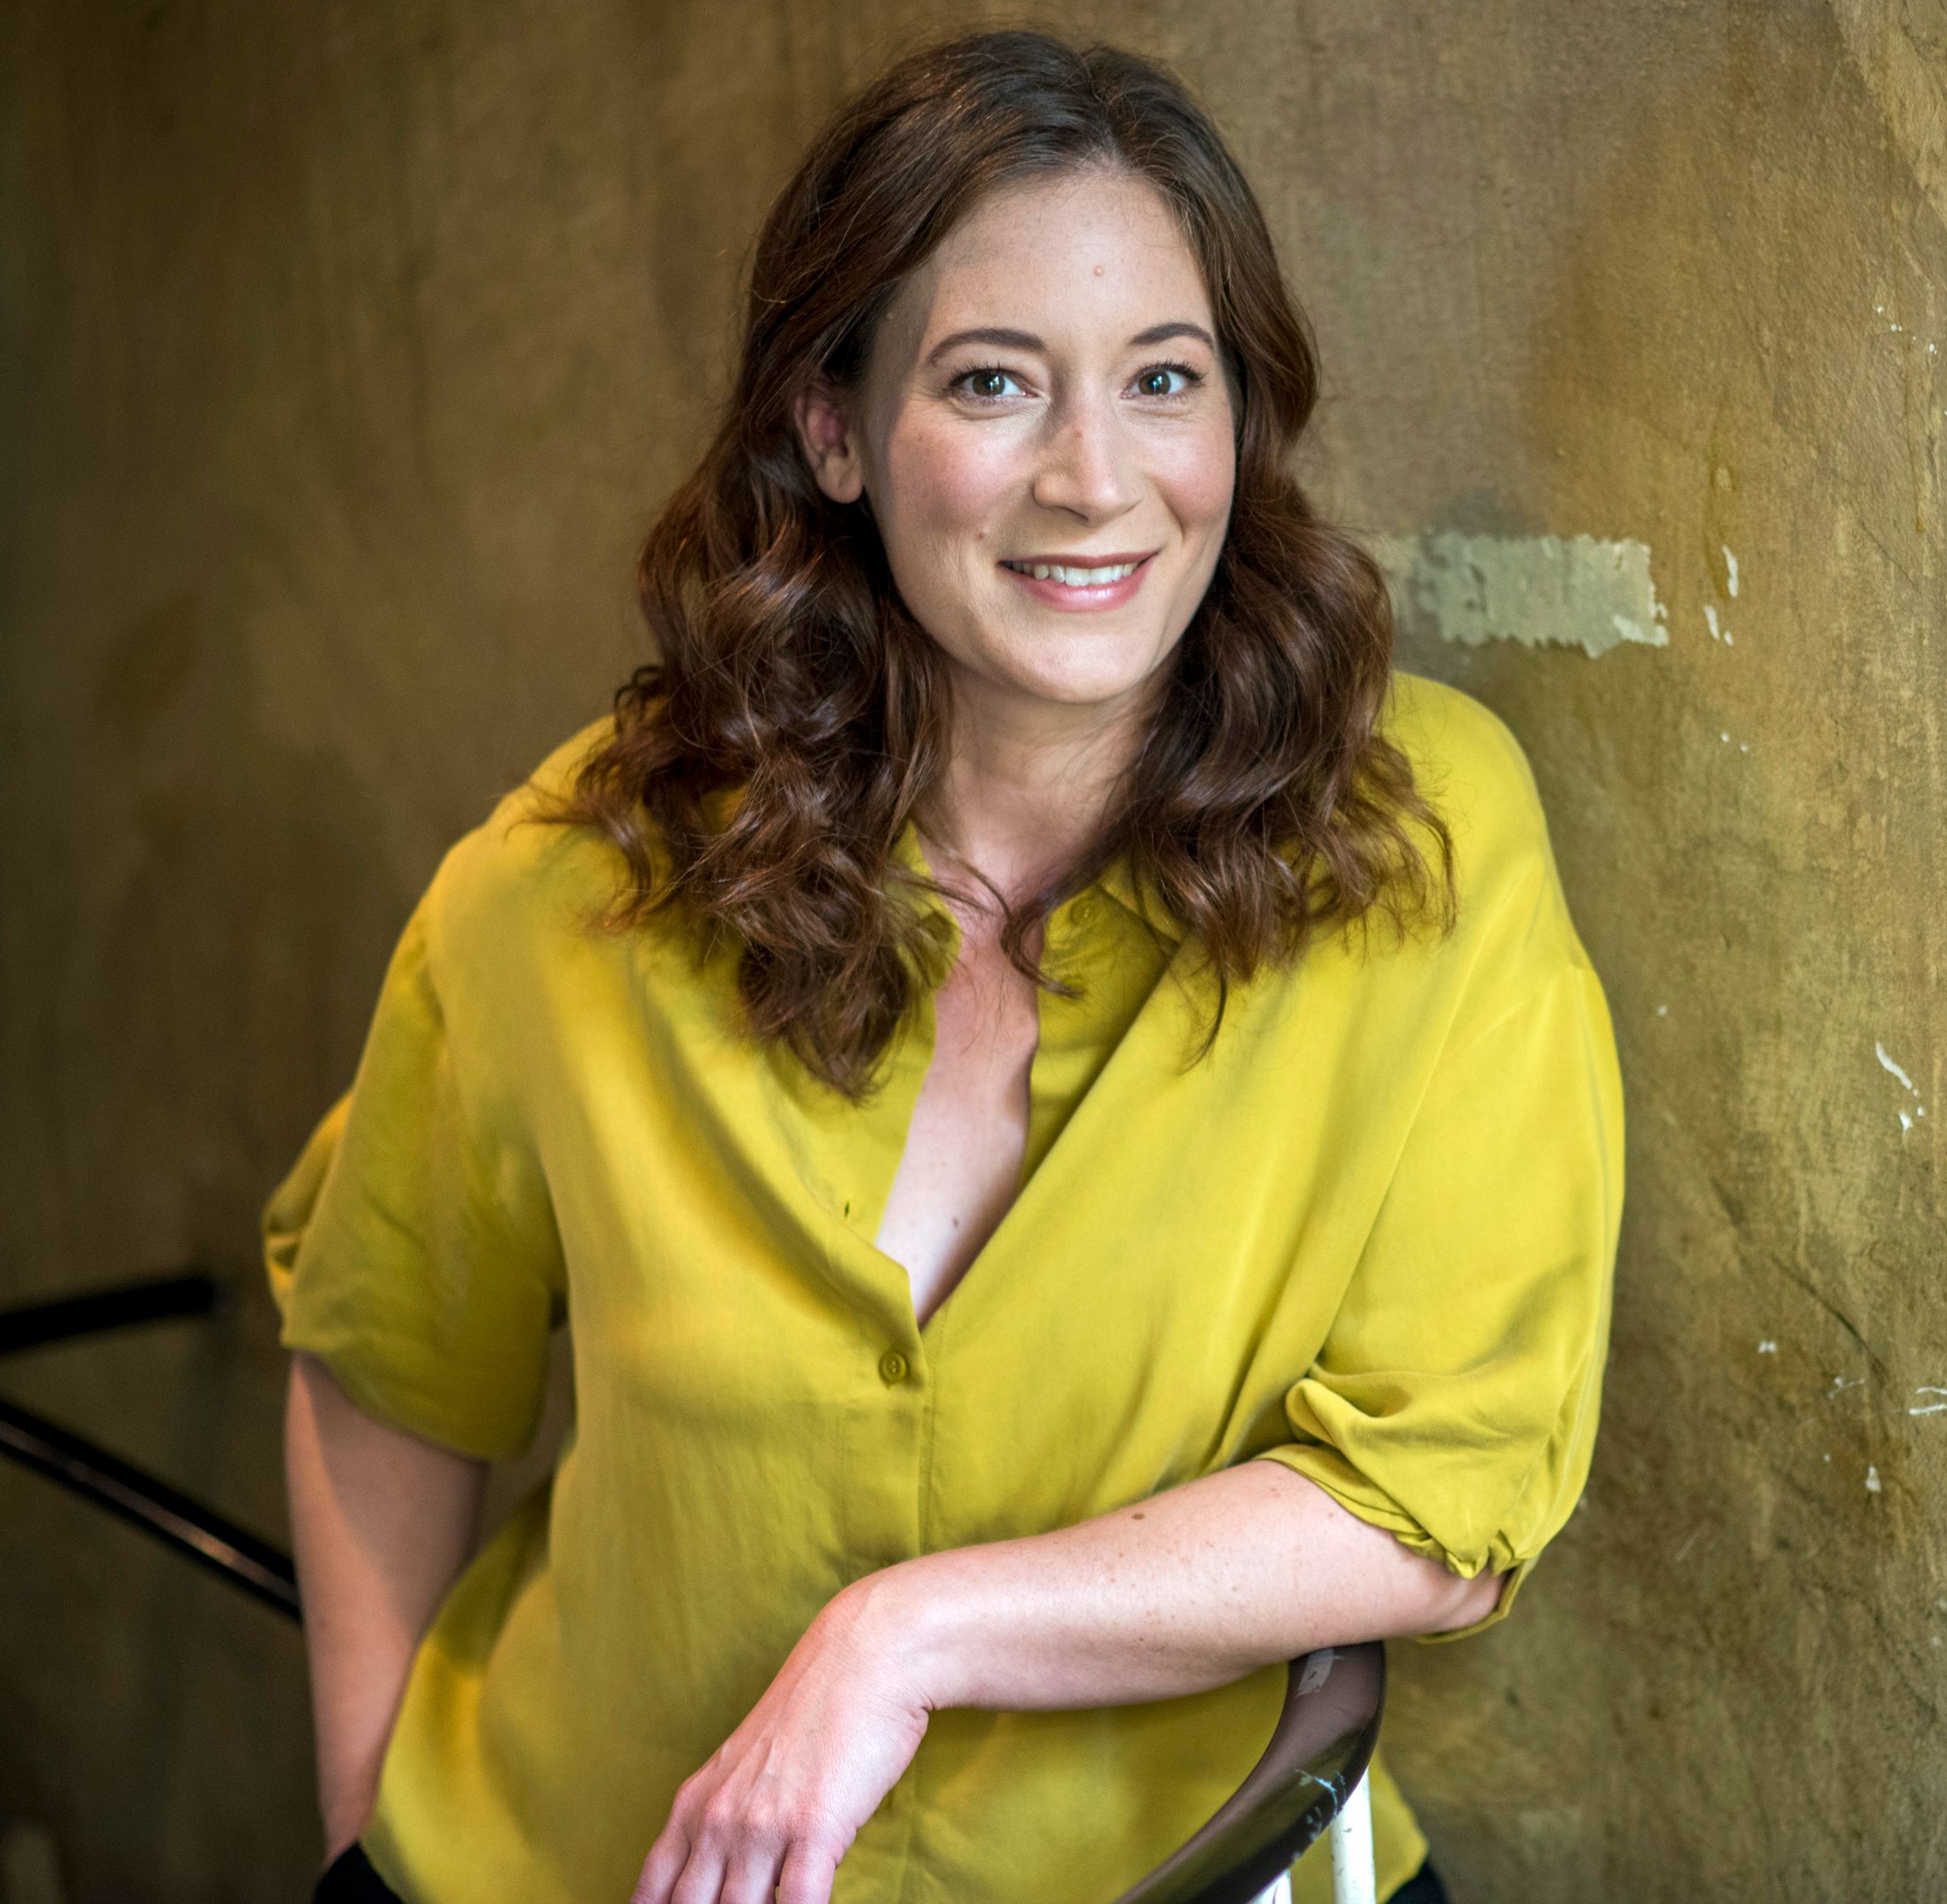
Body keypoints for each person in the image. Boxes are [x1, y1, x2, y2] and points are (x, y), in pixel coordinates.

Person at [265, 29, 1623, 1904]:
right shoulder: (570, 888)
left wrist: (906, 1636)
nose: (1094, 480)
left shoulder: (1421, 840)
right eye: (993, 382)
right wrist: (362, 1834)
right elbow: (391, 1365)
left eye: (1164, 379)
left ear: (1238, 422)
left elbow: (1444, 1494)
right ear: (833, 430)